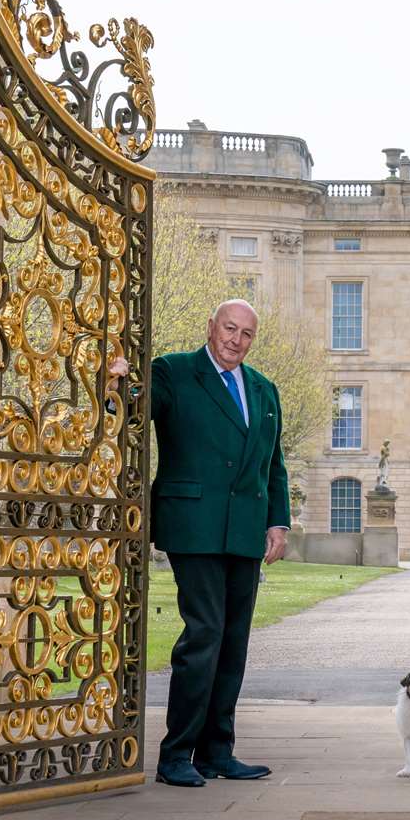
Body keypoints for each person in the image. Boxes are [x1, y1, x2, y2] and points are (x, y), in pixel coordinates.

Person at [148, 300, 290, 788]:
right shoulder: (172, 372)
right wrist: (115, 384)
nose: (236, 339)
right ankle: (175, 754)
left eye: (246, 333)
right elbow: (128, 416)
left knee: (232, 644)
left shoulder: (264, 389)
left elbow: (273, 465)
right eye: (229, 328)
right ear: (210, 327)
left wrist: (278, 522)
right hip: (194, 524)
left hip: (245, 531)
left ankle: (217, 751)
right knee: (204, 635)